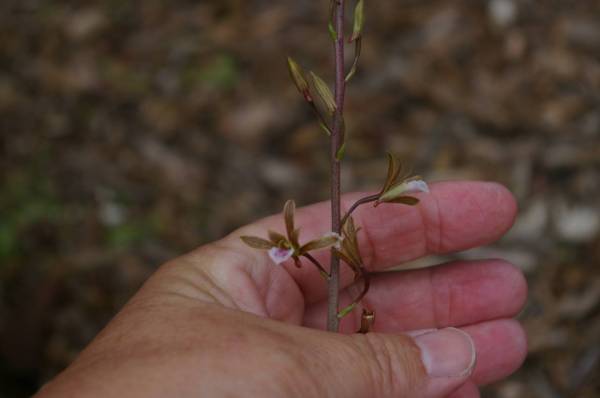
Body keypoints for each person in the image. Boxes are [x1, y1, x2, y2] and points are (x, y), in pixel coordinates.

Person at [35, 181, 527, 398]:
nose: (284, 252)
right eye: (284, 249)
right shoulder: (299, 252)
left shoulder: (315, 250)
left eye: (289, 248)